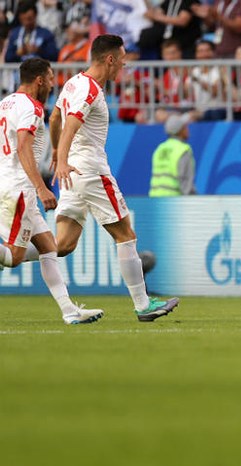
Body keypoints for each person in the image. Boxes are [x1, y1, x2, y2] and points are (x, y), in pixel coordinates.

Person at [50, 34, 180, 322]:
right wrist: (59, 159)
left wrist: (59, 155)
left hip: (73, 172)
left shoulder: (74, 82)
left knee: (62, 245)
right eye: (122, 59)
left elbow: (54, 118)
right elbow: (70, 123)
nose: (124, 64)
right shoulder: (91, 91)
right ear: (109, 59)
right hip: (92, 171)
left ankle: (9, 254)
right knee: (126, 235)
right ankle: (143, 304)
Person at [0, 57, 103, 325]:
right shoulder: (32, 108)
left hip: (11, 184)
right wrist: (41, 187)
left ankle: (69, 311)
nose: (52, 83)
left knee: (48, 247)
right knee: (13, 257)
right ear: (39, 80)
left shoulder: (6, 103)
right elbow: (23, 147)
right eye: (49, 78)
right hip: (20, 188)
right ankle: (69, 311)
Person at [149, 113, 196, 196]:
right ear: (180, 130)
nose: (187, 129)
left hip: (154, 200)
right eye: (185, 127)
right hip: (173, 202)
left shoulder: (160, 149)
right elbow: (186, 184)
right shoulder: (183, 150)